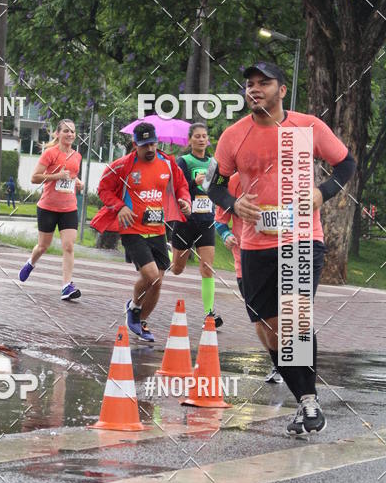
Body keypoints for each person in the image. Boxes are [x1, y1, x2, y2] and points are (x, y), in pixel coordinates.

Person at [208, 60, 356, 436]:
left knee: (294, 319)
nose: (254, 89)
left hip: (302, 237)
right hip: (255, 244)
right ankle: (304, 398)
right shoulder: (233, 136)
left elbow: (345, 163)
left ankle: (309, 403)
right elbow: (215, 185)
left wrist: (322, 193)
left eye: (264, 83)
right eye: (250, 84)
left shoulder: (308, 126)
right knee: (268, 330)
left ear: (282, 90)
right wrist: (232, 203)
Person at [91, 121, 191, 342]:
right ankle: (135, 309)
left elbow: (181, 186)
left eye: (153, 144)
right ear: (135, 144)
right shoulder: (123, 166)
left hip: (157, 229)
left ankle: (140, 319)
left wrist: (184, 199)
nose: (150, 149)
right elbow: (103, 190)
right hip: (132, 230)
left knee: (158, 282)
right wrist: (120, 207)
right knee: (152, 275)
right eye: (145, 145)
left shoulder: (168, 164)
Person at [214, 173, 282, 384]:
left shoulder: (284, 177)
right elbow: (220, 221)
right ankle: (277, 361)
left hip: (282, 257)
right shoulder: (233, 182)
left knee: (285, 316)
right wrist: (226, 235)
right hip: (246, 261)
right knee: (261, 319)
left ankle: (293, 371)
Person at [18, 119, 83, 300]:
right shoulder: (50, 153)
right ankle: (31, 262)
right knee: (43, 246)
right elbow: (34, 178)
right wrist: (56, 176)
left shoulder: (77, 156)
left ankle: (66, 286)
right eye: (66, 131)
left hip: (69, 207)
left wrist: (78, 183)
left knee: (68, 246)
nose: (70, 134)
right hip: (48, 207)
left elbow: (71, 176)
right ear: (57, 134)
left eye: (72, 131)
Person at [169, 122, 223, 328]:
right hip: (185, 221)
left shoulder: (213, 164)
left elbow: (217, 189)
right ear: (190, 140)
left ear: (208, 140)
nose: (201, 139)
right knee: (177, 269)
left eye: (204, 136)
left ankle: (209, 314)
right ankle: (168, 253)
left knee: (207, 269)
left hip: (206, 221)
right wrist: (194, 184)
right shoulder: (184, 161)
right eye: (197, 136)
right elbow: (177, 188)